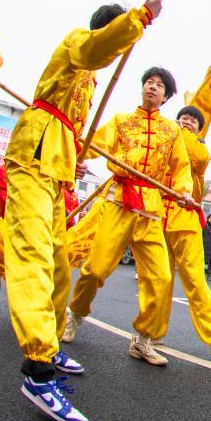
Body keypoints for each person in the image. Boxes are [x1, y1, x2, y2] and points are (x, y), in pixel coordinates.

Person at [3, 0, 155, 421]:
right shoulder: (78, 44)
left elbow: (69, 128)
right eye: (118, 37)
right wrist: (139, 19)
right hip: (33, 159)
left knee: (57, 265)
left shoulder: (89, 79)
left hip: (56, 169)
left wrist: (74, 158)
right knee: (33, 257)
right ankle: (38, 370)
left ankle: (50, 346)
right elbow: (95, 49)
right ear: (106, 31)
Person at [64, 67, 194, 371]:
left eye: (159, 85)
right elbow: (92, 145)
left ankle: (142, 339)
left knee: (161, 278)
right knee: (95, 270)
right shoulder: (121, 121)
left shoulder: (172, 131)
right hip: (118, 201)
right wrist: (77, 161)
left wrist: (184, 191)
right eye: (149, 82)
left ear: (166, 96)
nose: (152, 87)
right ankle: (75, 314)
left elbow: (181, 168)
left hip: (150, 209)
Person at [149, 106, 211, 366]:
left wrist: (182, 131)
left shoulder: (199, 148)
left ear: (199, 129)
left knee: (195, 281)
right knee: (158, 279)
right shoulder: (165, 141)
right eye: (184, 118)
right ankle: (153, 333)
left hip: (185, 217)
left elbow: (194, 159)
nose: (187, 122)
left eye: (193, 121)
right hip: (158, 214)